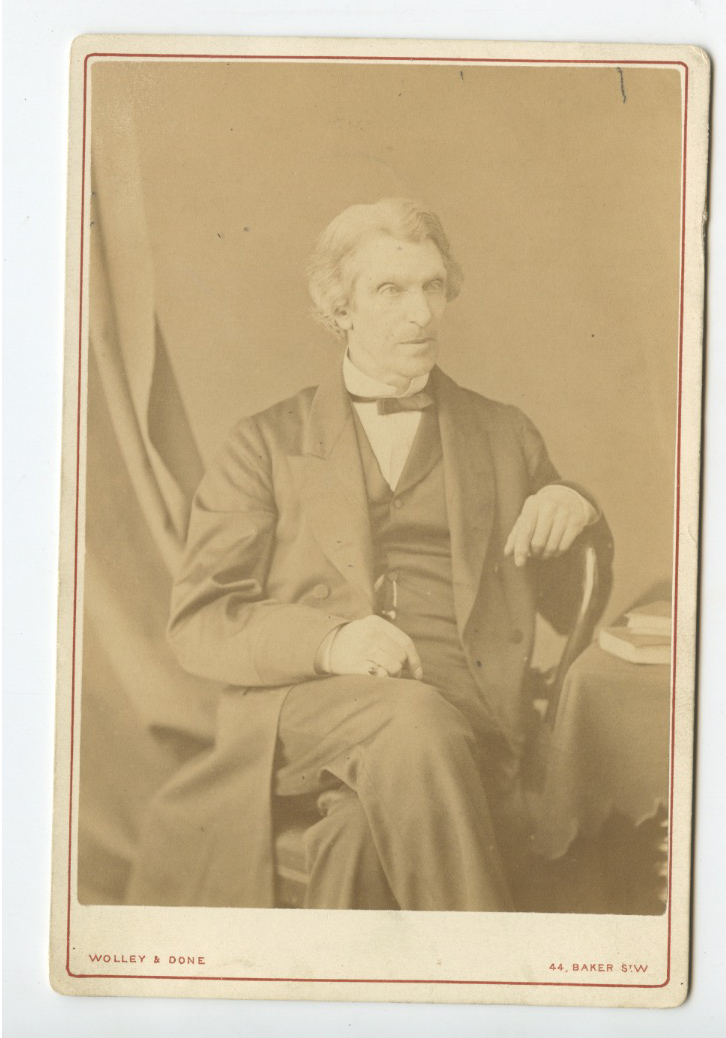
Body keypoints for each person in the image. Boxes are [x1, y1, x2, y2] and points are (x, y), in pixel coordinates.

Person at [127, 198, 608, 911]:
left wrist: (575, 507)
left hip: (473, 710)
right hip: (309, 709)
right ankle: (483, 966)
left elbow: (569, 609)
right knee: (414, 721)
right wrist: (333, 642)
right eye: (391, 290)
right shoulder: (264, 443)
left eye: (433, 286)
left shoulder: (505, 435)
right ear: (339, 309)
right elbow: (202, 620)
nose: (421, 313)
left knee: (360, 835)